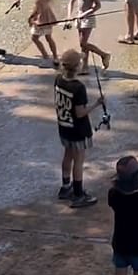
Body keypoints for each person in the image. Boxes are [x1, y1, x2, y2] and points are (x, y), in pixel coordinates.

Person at [54, 49, 103, 208]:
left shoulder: (58, 80)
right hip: (78, 130)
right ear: (77, 66)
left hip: (64, 126)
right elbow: (80, 112)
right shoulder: (78, 87)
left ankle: (65, 186)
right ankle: (78, 194)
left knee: (67, 155)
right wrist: (96, 104)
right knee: (79, 161)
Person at [66, 0, 111, 75]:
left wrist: (85, 14)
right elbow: (71, 2)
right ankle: (85, 67)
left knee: (83, 42)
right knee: (82, 45)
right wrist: (68, 17)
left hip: (88, 18)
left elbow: (97, 5)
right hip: (78, 17)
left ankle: (104, 55)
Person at [28, 0, 59, 66]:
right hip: (49, 20)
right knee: (49, 38)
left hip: (41, 22)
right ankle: (55, 57)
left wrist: (30, 18)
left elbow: (36, 11)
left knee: (34, 38)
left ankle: (45, 55)